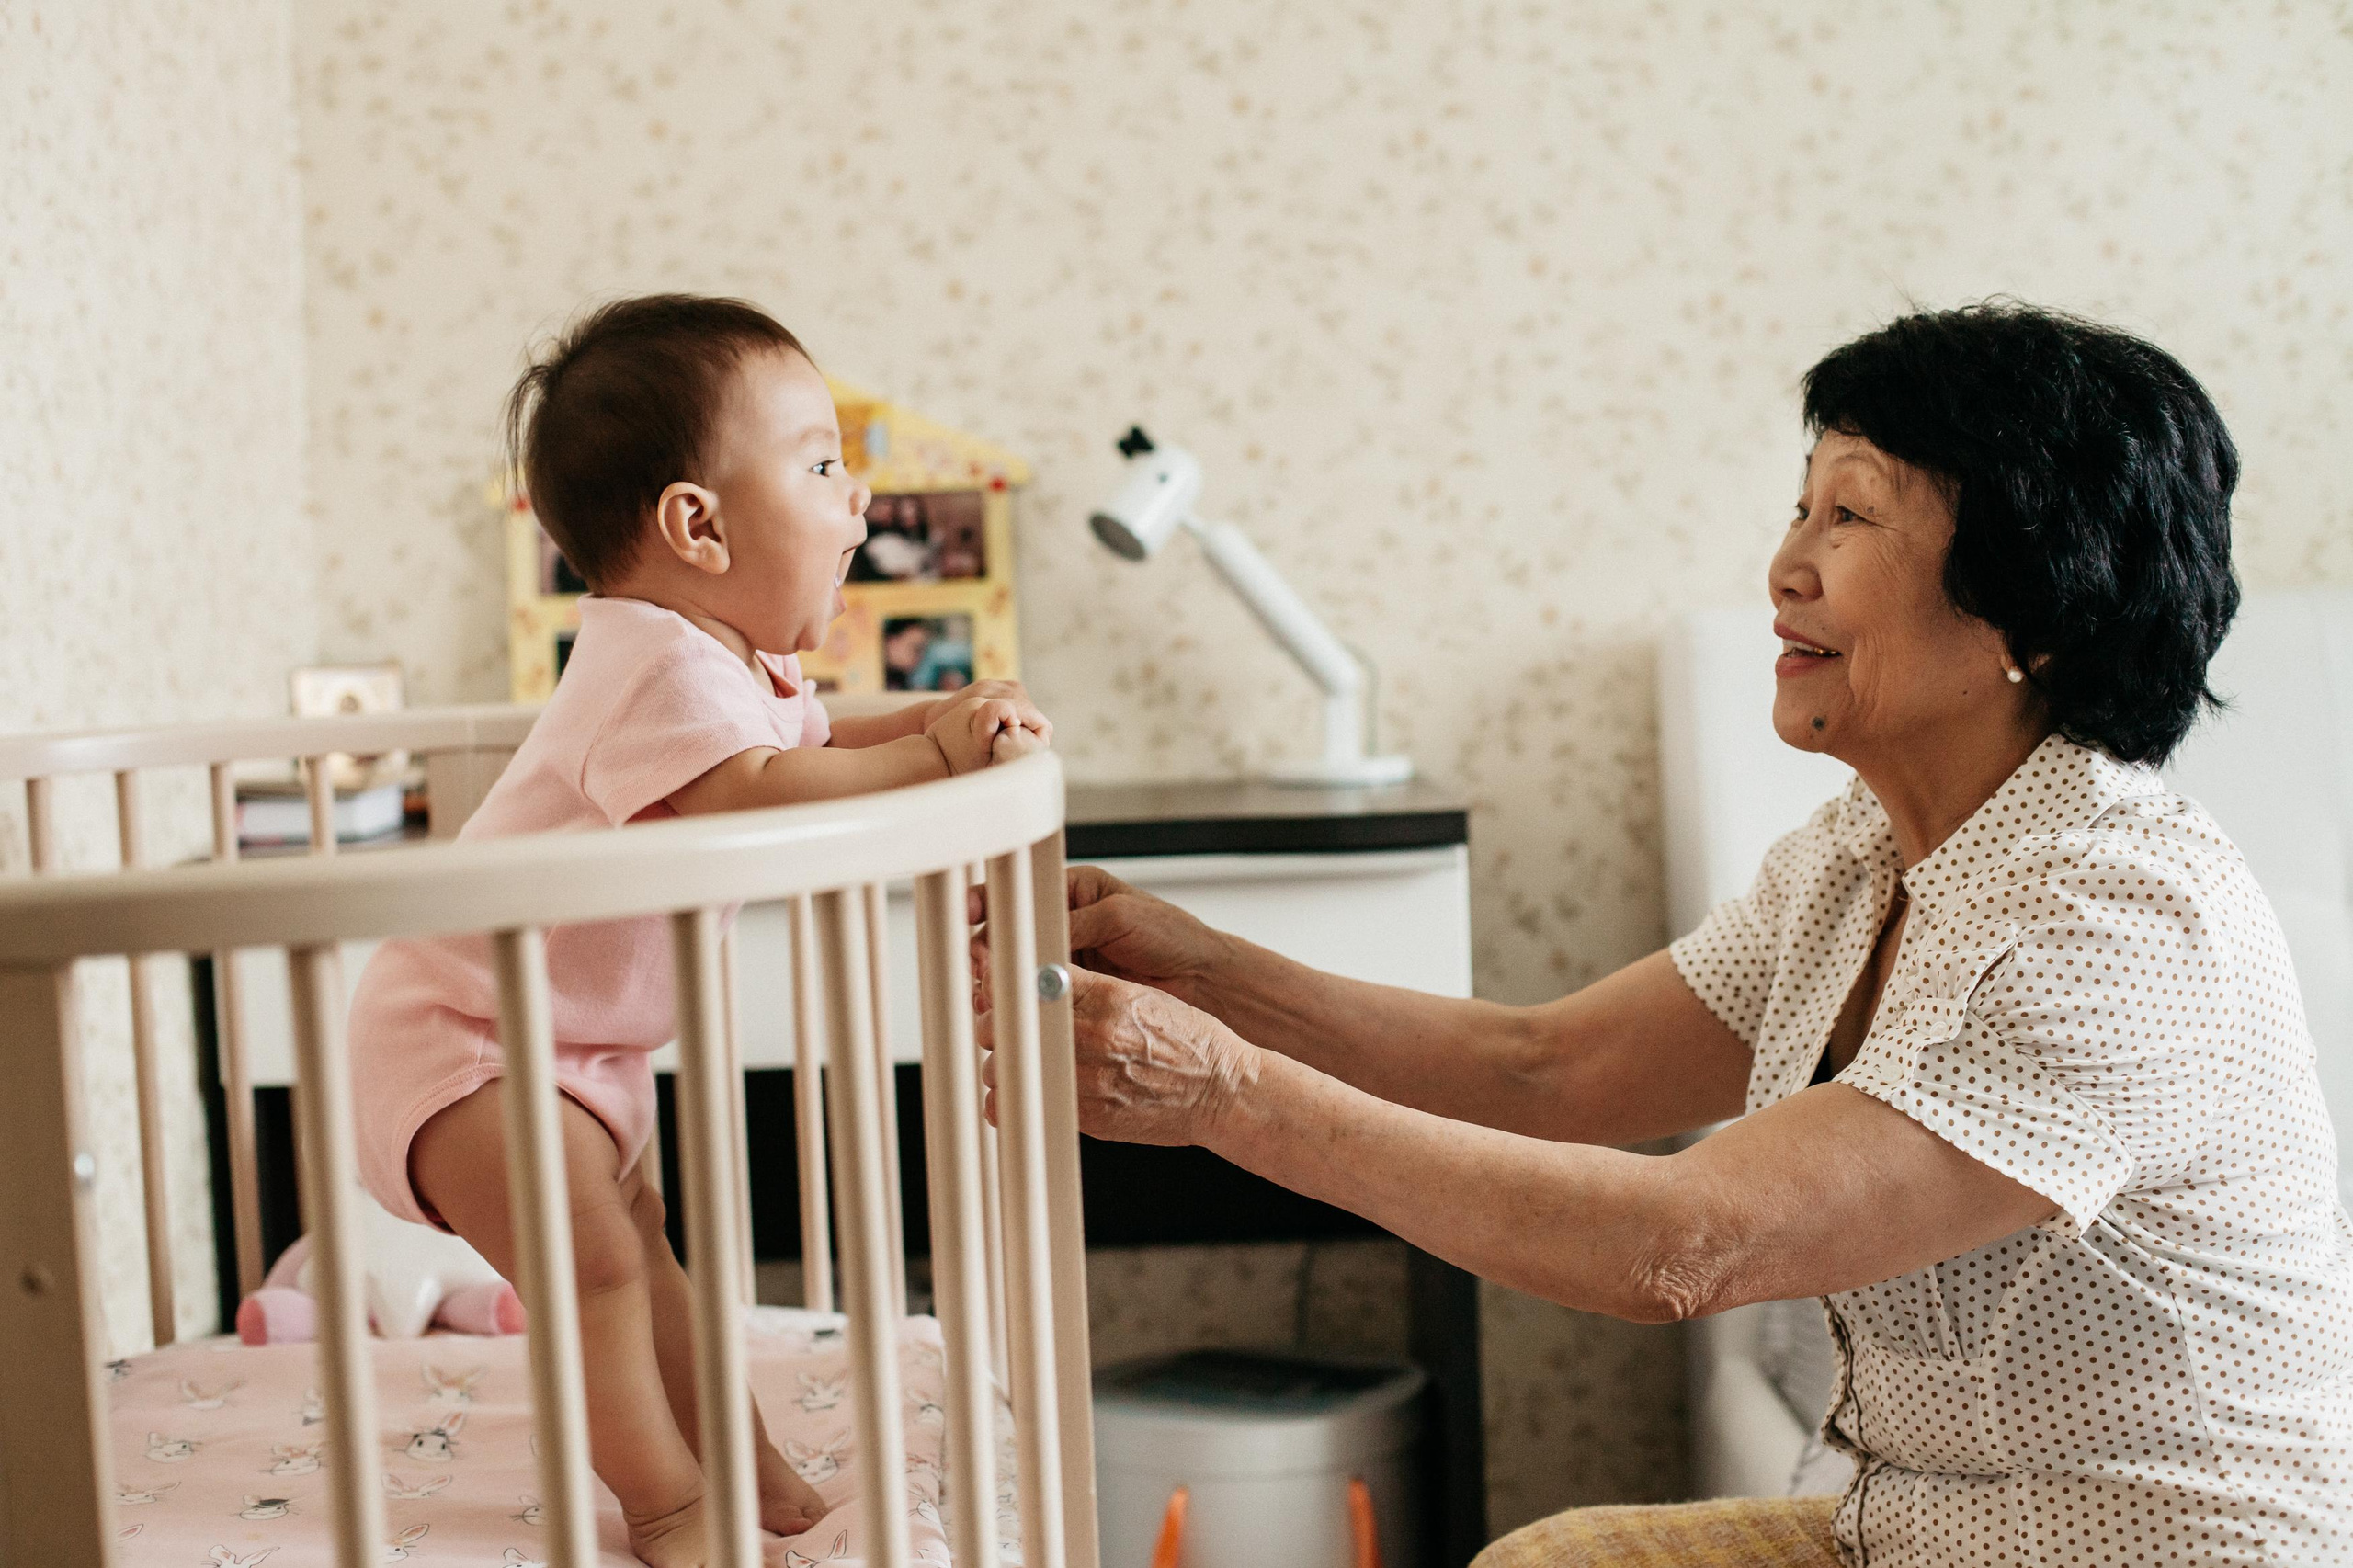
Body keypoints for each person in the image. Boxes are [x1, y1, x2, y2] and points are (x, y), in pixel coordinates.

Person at [992, 304, 2353, 1565]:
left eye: (1854, 516)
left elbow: (1682, 1243)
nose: (1787, 566)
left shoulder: (2109, 926)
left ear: (2035, 608)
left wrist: (1221, 1090)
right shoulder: (1863, 857)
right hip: (1921, 1535)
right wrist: (1210, 973)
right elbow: (1548, 1069)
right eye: (1800, 505)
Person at [347, 295, 1050, 1568]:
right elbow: (759, 790)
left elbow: (823, 739)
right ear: (698, 525)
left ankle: (751, 1467)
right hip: (467, 1037)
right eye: (826, 463)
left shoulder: (730, 666)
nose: (861, 496)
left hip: (564, 1045)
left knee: (648, 1257)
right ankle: (672, 1508)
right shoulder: (659, 664)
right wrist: (943, 751)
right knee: (602, 1271)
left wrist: (948, 717)